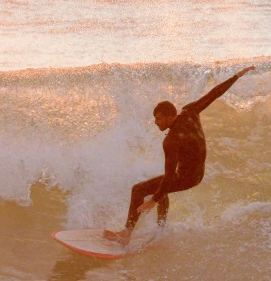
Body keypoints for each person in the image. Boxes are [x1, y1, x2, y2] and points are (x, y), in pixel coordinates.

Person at [104, 65, 256, 245]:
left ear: (170, 116)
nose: (156, 122)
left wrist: (152, 200)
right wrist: (237, 75)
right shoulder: (190, 111)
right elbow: (214, 94)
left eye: (159, 118)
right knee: (162, 189)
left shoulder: (171, 141)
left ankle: (126, 234)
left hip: (187, 177)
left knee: (139, 189)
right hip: (198, 174)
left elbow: (169, 176)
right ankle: (161, 230)